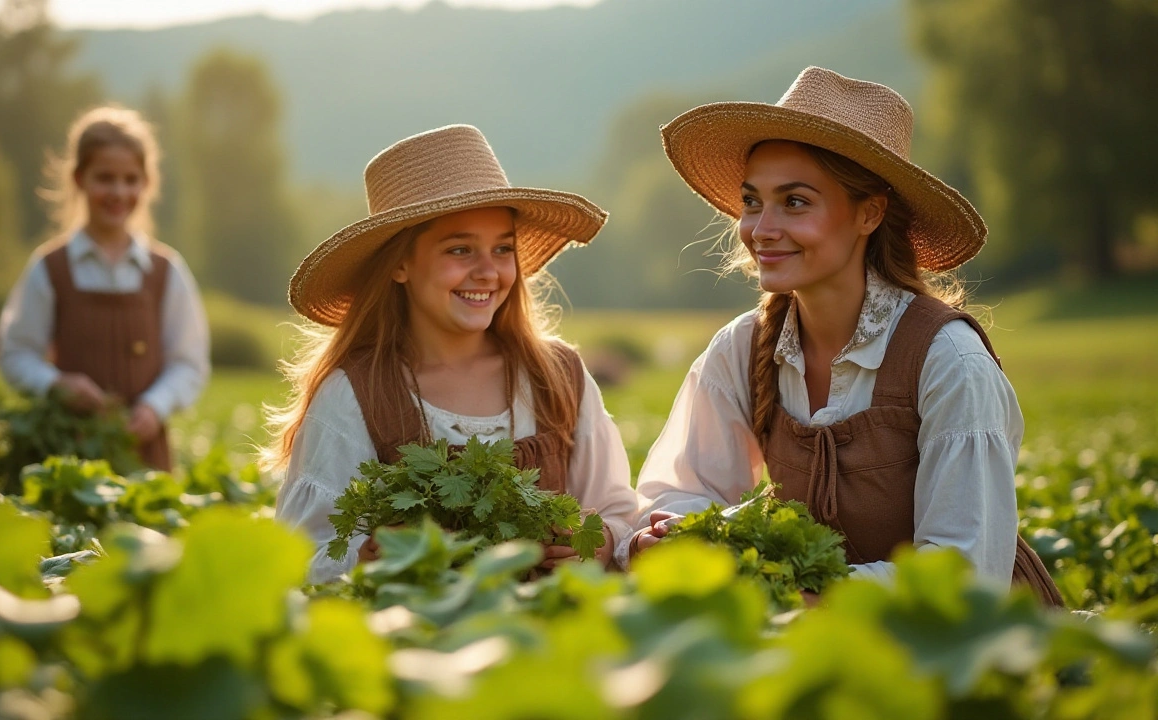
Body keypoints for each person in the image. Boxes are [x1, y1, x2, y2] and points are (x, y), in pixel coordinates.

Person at [629, 67, 1061, 605]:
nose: (761, 229)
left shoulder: (949, 362)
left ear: (869, 213)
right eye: (752, 201)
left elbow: (963, 579)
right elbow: (680, 489)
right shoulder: (744, 349)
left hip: (960, 651)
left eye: (795, 202)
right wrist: (676, 535)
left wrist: (787, 588)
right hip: (806, 637)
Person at [266, 124, 638, 584]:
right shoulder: (355, 394)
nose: (487, 271)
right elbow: (301, 556)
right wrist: (366, 561)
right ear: (400, 264)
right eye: (460, 249)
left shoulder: (557, 376)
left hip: (548, 644)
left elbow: (619, 511)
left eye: (503, 249)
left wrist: (596, 543)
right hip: (416, 644)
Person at [0, 105, 210, 471]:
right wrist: (56, 384)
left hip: (145, 460)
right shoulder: (51, 268)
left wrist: (154, 406)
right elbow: (15, 354)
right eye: (105, 178)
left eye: (130, 179)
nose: (118, 191)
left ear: (146, 183)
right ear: (79, 179)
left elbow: (190, 364)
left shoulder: (166, 271)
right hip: (65, 457)